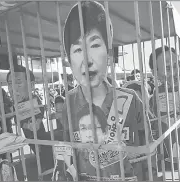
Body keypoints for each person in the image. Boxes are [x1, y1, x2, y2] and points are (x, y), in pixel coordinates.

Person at [58, 1, 157, 180]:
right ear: (69, 61)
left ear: (109, 55)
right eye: (78, 49)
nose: (87, 60)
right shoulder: (69, 102)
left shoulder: (131, 100)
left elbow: (149, 153)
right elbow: (65, 152)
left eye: (95, 45)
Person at [6, 65, 56, 178]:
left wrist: (37, 121)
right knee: (37, 150)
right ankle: (45, 168)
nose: (14, 88)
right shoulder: (15, 105)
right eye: (10, 84)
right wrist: (26, 125)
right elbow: (17, 120)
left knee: (45, 148)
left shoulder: (34, 98)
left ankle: (50, 169)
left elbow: (40, 109)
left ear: (31, 85)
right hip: (29, 134)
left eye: (18, 83)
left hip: (40, 132)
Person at [148, 46, 180, 167]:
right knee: (167, 155)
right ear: (155, 72)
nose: (174, 72)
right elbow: (152, 110)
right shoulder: (156, 91)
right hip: (164, 128)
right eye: (168, 68)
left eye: (176, 66)